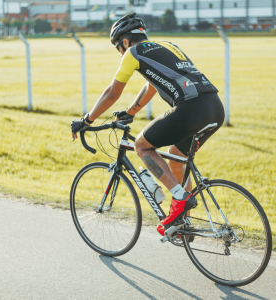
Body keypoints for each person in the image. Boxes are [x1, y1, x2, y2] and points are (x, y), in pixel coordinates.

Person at [71, 13, 224, 236]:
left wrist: (86, 120)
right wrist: (131, 112)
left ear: (124, 41)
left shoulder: (132, 52)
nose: (120, 53)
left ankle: (180, 200)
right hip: (214, 107)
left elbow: (112, 93)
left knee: (142, 146)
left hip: (190, 108)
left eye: (118, 47)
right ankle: (183, 224)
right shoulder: (168, 46)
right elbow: (152, 85)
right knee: (176, 157)